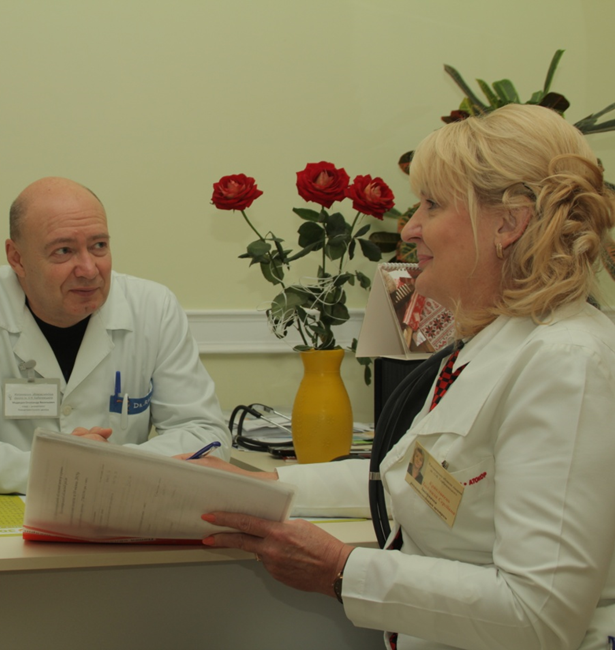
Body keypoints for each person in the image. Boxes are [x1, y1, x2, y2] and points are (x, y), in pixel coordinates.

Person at [193, 104, 615, 649]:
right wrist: (262, 487)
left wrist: (341, 570)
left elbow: (538, 617)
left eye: (432, 204)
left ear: (508, 224)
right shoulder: (494, 345)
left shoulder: (567, 363)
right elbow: (418, 481)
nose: (411, 227)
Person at [0, 176, 230, 494]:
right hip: (3, 517)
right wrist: (54, 467)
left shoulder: (154, 307)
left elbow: (205, 433)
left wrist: (112, 466)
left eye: (99, 246)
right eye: (64, 250)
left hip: (120, 510)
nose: (89, 269)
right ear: (17, 258)